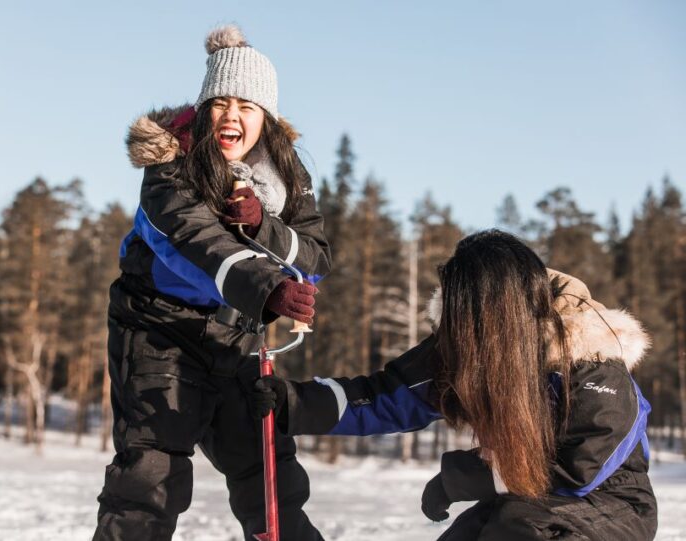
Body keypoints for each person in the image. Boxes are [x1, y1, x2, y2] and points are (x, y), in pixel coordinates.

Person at [252, 230, 657, 540]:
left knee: (516, 531)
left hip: (611, 506)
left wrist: (458, 478)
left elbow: (578, 469)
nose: (460, 330)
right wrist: (296, 402)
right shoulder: (476, 341)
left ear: (497, 307)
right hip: (524, 500)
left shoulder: (593, 360)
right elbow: (388, 395)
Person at [93, 25, 330, 541]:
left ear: (265, 118)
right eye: (220, 102)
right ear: (204, 111)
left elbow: (315, 256)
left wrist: (262, 226)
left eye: (246, 105)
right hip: (159, 332)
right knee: (149, 480)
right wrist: (268, 287)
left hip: (237, 338)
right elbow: (196, 243)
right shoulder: (168, 167)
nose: (231, 116)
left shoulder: (285, 178)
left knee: (272, 481)